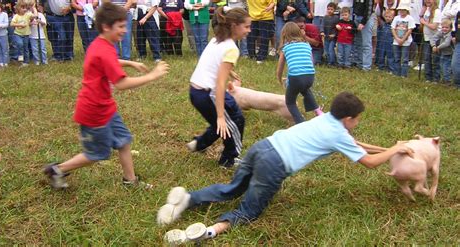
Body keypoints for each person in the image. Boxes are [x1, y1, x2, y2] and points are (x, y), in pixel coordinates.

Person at [156, 92, 414, 245]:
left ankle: (188, 198)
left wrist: (390, 148)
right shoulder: (340, 135)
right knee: (249, 211)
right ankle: (207, 232)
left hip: (263, 146)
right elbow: (367, 162)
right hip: (275, 165)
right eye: (358, 119)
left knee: (233, 188)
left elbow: (356, 145)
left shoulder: (326, 120)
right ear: (349, 119)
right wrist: (394, 149)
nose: (357, 123)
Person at [43, 2, 170, 189]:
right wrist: (152, 75)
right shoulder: (103, 49)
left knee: (124, 141)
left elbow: (109, 61)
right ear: (106, 27)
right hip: (94, 112)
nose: (125, 31)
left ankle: (130, 181)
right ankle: (57, 169)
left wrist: (129, 63)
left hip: (106, 107)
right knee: (97, 154)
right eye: (120, 27)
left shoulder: (103, 43)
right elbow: (121, 83)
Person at [185, 7, 250, 168]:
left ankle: (198, 144)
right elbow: (220, 84)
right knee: (232, 122)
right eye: (247, 26)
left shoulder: (217, 39)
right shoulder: (232, 48)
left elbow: (213, 63)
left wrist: (230, 71)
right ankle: (229, 159)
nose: (249, 30)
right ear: (234, 25)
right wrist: (221, 116)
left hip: (196, 91)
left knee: (224, 120)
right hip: (208, 94)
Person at [276, 22, 323, 124]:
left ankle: (301, 123)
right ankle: (318, 112)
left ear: (284, 34)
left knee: (290, 102)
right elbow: (311, 62)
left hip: (296, 78)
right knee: (305, 90)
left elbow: (280, 67)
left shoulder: (286, 47)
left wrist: (279, 79)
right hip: (310, 76)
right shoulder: (306, 45)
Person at [391, 0, 415, 77]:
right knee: (396, 58)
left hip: (406, 41)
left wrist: (403, 39)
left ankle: (404, 74)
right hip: (396, 40)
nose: (401, 11)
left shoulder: (410, 18)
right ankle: (396, 73)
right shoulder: (396, 18)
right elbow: (393, 28)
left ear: (407, 10)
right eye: (400, 10)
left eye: (403, 10)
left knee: (405, 59)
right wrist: (397, 38)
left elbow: (410, 30)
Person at [420, 0, 441, 82]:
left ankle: (436, 78)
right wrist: (421, 15)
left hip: (435, 39)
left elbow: (434, 26)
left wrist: (423, 22)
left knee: (435, 59)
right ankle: (428, 77)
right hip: (426, 37)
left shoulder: (437, 11)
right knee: (427, 58)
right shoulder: (426, 10)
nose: (427, 1)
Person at [10, 2, 36, 67]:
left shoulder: (27, 14)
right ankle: (20, 56)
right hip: (18, 34)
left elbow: (35, 16)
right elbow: (12, 24)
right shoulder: (16, 16)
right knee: (20, 44)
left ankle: (26, 62)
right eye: (23, 8)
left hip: (26, 34)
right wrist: (19, 25)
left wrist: (34, 8)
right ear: (18, 8)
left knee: (26, 48)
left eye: (25, 8)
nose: (24, 9)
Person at [430, 18, 453, 83]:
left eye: (447, 27)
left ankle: (448, 81)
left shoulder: (450, 34)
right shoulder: (441, 32)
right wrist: (433, 45)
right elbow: (433, 38)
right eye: (443, 27)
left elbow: (447, 43)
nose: (444, 29)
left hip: (449, 53)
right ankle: (443, 79)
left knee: (446, 67)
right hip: (442, 53)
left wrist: (438, 47)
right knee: (441, 65)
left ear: (451, 28)